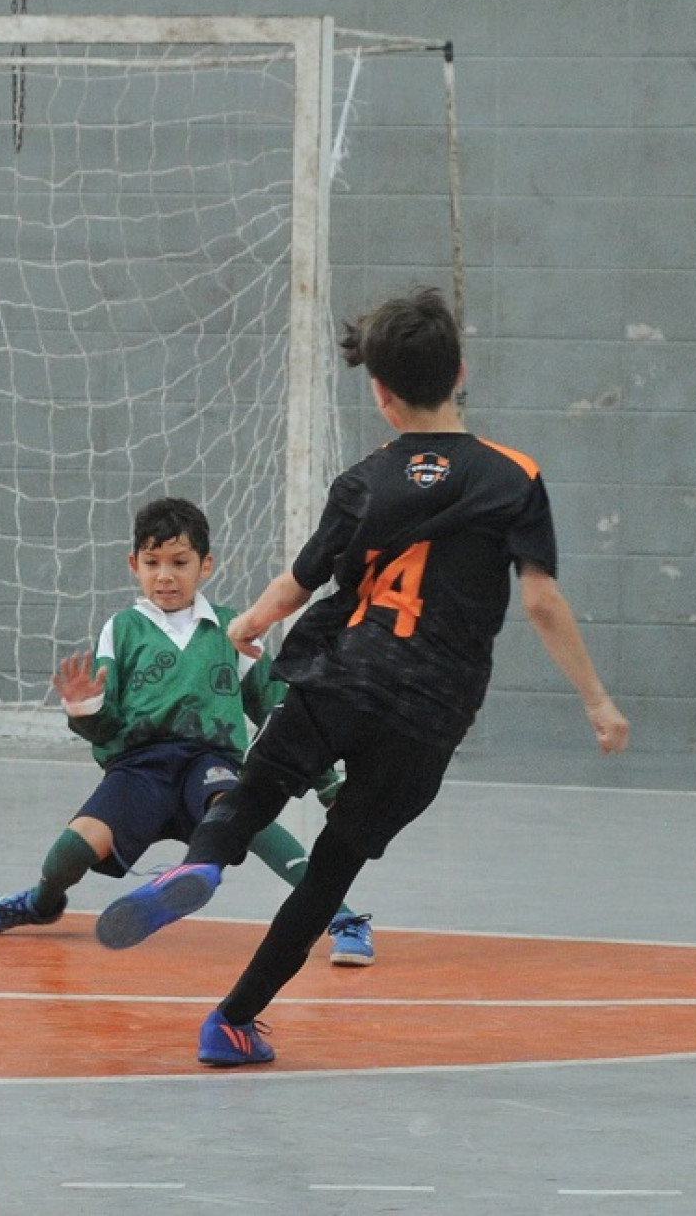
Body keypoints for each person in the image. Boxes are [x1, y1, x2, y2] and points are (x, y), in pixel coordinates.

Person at [94, 286, 629, 1068]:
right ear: (461, 372)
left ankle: (197, 866)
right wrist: (597, 700)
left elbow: (295, 586)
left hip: (337, 674)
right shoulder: (513, 476)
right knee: (332, 867)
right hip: (428, 709)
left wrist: (241, 629)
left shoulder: (362, 481)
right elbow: (542, 601)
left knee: (249, 797)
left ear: (380, 396)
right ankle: (231, 1021)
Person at [0, 497, 375, 967]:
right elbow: (106, 726)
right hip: (139, 767)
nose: (165, 575)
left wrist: (328, 783)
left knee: (247, 817)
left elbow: (283, 712)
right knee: (71, 850)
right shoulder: (123, 629)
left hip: (209, 762)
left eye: (180, 563)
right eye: (152, 563)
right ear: (133, 565)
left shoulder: (234, 628)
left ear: (206, 565)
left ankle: (344, 918)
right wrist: (85, 710)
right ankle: (41, 903)